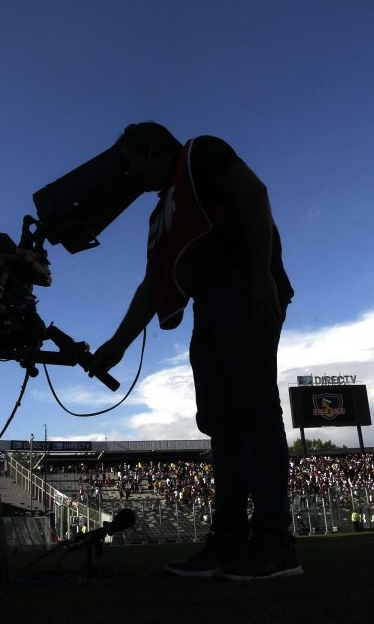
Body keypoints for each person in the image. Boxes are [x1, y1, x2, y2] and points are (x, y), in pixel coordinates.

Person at [90, 122, 300, 580]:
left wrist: (261, 275)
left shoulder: (200, 152)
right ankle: (229, 541)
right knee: (221, 426)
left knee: (254, 412)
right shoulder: (160, 211)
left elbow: (254, 194)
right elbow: (153, 285)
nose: (128, 176)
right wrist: (119, 344)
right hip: (210, 301)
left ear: (149, 149)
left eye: (130, 164)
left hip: (243, 287)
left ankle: (275, 542)